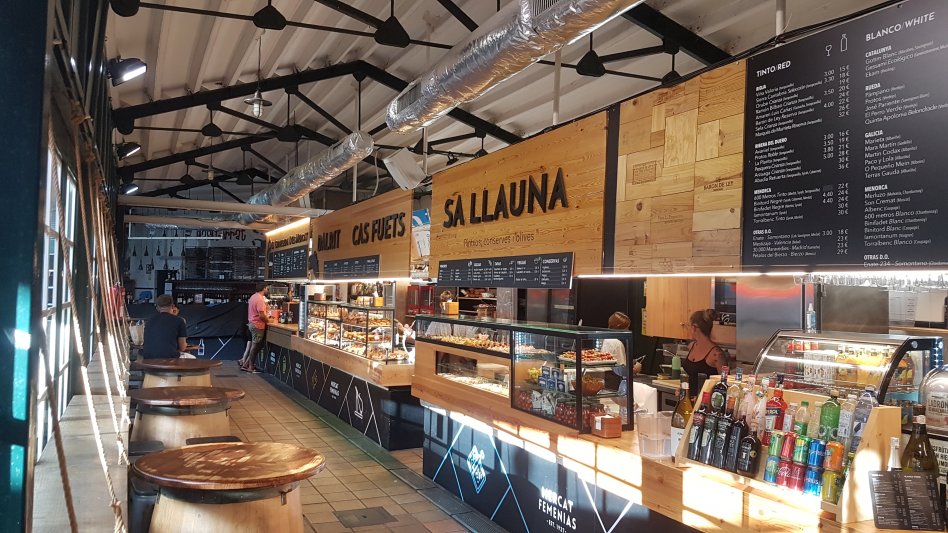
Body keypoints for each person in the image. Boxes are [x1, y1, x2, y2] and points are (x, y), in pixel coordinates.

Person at [682, 308, 728, 383]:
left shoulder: (717, 354)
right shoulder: (691, 346)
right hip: (688, 391)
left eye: (689, 326)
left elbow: (726, 381)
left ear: (694, 328)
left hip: (707, 391)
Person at [141, 294, 188, 359]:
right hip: (169, 359)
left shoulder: (149, 321)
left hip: (148, 359)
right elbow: (182, 348)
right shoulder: (179, 321)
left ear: (157, 308)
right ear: (173, 306)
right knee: (192, 358)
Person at [239, 283, 271, 372]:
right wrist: (268, 321)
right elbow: (261, 315)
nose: (267, 290)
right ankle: (250, 367)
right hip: (257, 325)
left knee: (255, 346)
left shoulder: (253, 297)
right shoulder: (260, 299)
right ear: (264, 288)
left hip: (252, 323)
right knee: (255, 347)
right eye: (267, 288)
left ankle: (246, 365)